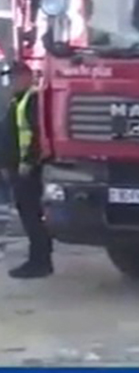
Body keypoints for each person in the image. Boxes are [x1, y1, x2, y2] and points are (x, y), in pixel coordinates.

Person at [0, 61, 52, 278]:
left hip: (26, 170)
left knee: (32, 215)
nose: (12, 82)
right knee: (27, 214)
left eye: (15, 77)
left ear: (27, 76)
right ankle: (38, 259)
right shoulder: (18, 100)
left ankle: (39, 261)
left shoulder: (32, 100)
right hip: (15, 167)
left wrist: (28, 162)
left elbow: (36, 135)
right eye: (10, 78)